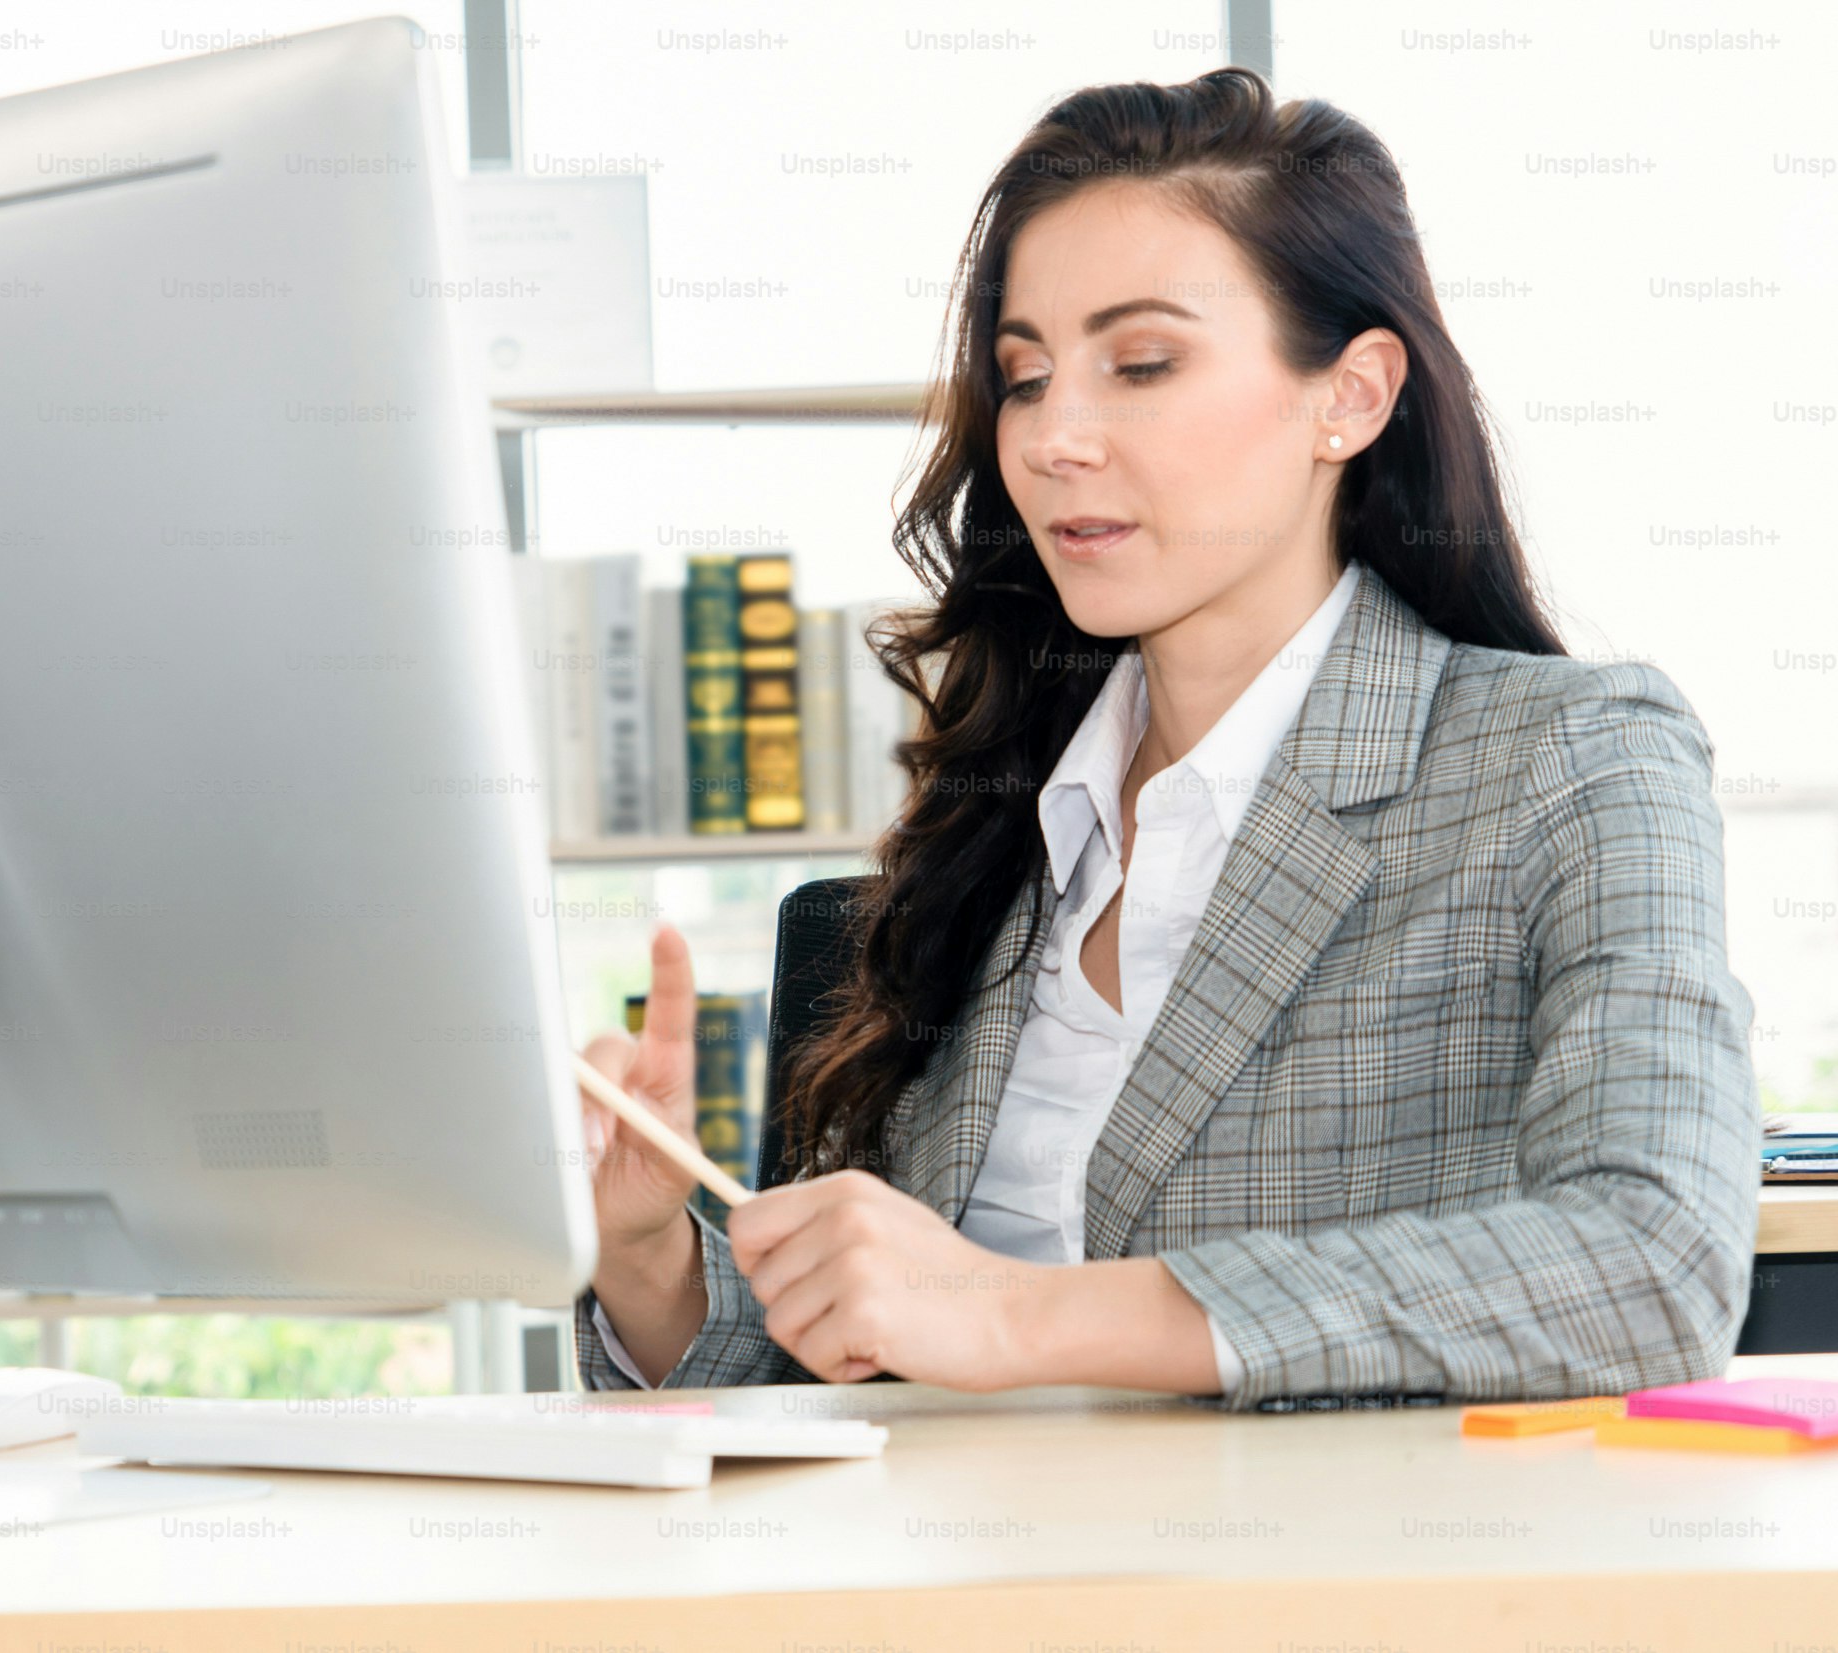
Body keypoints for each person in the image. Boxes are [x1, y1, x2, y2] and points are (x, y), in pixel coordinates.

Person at [572, 67, 1758, 1408]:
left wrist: (1022, 1316)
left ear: (1352, 397)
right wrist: (647, 1252)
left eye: (1140, 363)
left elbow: (1654, 1259)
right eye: (1024, 376)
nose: (1054, 436)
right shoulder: (1010, 822)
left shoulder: (1568, 764)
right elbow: (841, 1376)